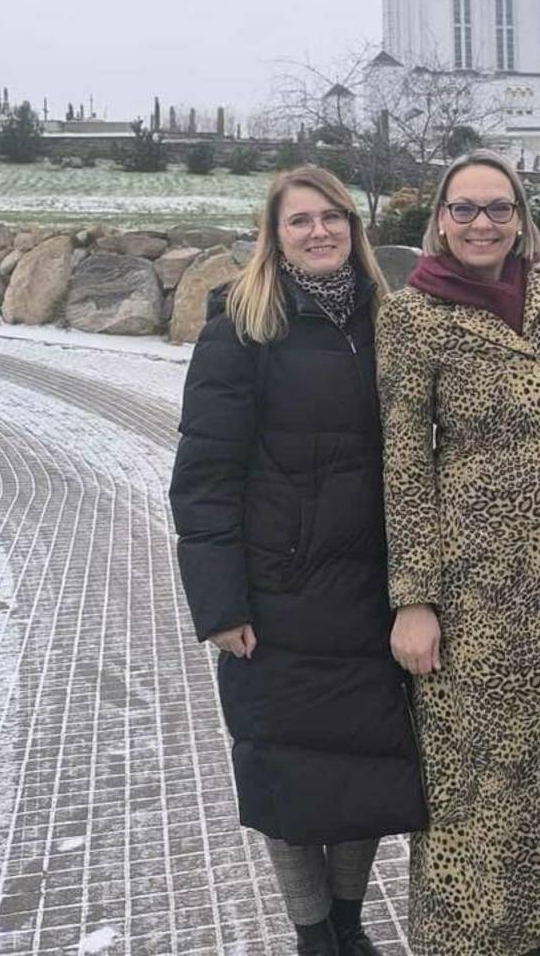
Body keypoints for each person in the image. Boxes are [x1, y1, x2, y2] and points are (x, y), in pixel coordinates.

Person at [376, 150, 540, 956]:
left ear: (521, 218)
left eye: (498, 207)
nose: (481, 223)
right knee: (482, 782)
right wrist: (414, 599)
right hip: (480, 592)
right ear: (441, 221)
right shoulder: (412, 316)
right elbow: (404, 463)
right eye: (464, 209)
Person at [170, 166, 426, 956]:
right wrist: (220, 605)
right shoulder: (242, 329)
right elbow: (204, 478)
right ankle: (314, 937)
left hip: (371, 593)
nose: (320, 232)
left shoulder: (390, 321)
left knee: (364, 772)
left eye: (333, 217)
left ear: (354, 227)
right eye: (300, 220)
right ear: (274, 237)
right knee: (287, 778)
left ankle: (349, 926)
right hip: (277, 598)